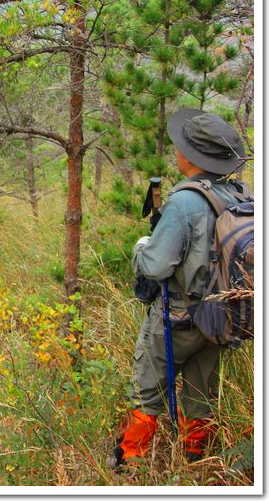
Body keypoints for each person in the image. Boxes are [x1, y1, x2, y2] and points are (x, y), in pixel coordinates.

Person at [109, 109, 248, 468]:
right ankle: (195, 459)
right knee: (202, 392)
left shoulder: (185, 202)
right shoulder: (239, 195)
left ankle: (130, 461)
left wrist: (142, 245)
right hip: (220, 317)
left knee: (146, 390)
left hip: (177, 318)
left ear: (191, 157)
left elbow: (155, 265)